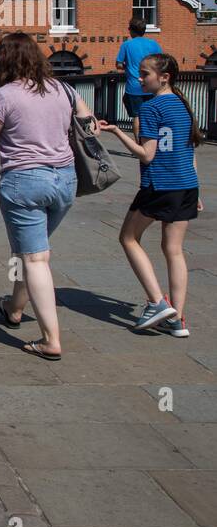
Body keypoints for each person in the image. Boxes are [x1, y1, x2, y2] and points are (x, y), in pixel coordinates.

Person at [0, 32, 94, 360]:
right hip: (65, 181)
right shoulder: (64, 90)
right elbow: (88, 121)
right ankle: (15, 307)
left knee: (35, 259)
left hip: (25, 184)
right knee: (30, 248)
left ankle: (50, 339)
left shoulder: (5, 96)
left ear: (6, 61)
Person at [99, 53, 202, 336]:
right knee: (174, 250)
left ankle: (157, 301)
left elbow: (147, 155)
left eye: (145, 74)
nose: (139, 78)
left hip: (160, 185)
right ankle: (178, 319)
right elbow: (189, 149)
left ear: (164, 77)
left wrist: (116, 133)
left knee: (128, 238)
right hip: (186, 185)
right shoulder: (183, 103)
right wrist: (197, 188)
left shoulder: (151, 108)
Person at [115, 17, 163, 140]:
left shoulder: (127, 45)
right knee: (153, 114)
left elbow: (119, 64)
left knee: (137, 116)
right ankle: (154, 141)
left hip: (134, 86)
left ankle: (138, 144)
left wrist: (127, 66)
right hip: (152, 85)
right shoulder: (153, 44)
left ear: (131, 30)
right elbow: (161, 62)